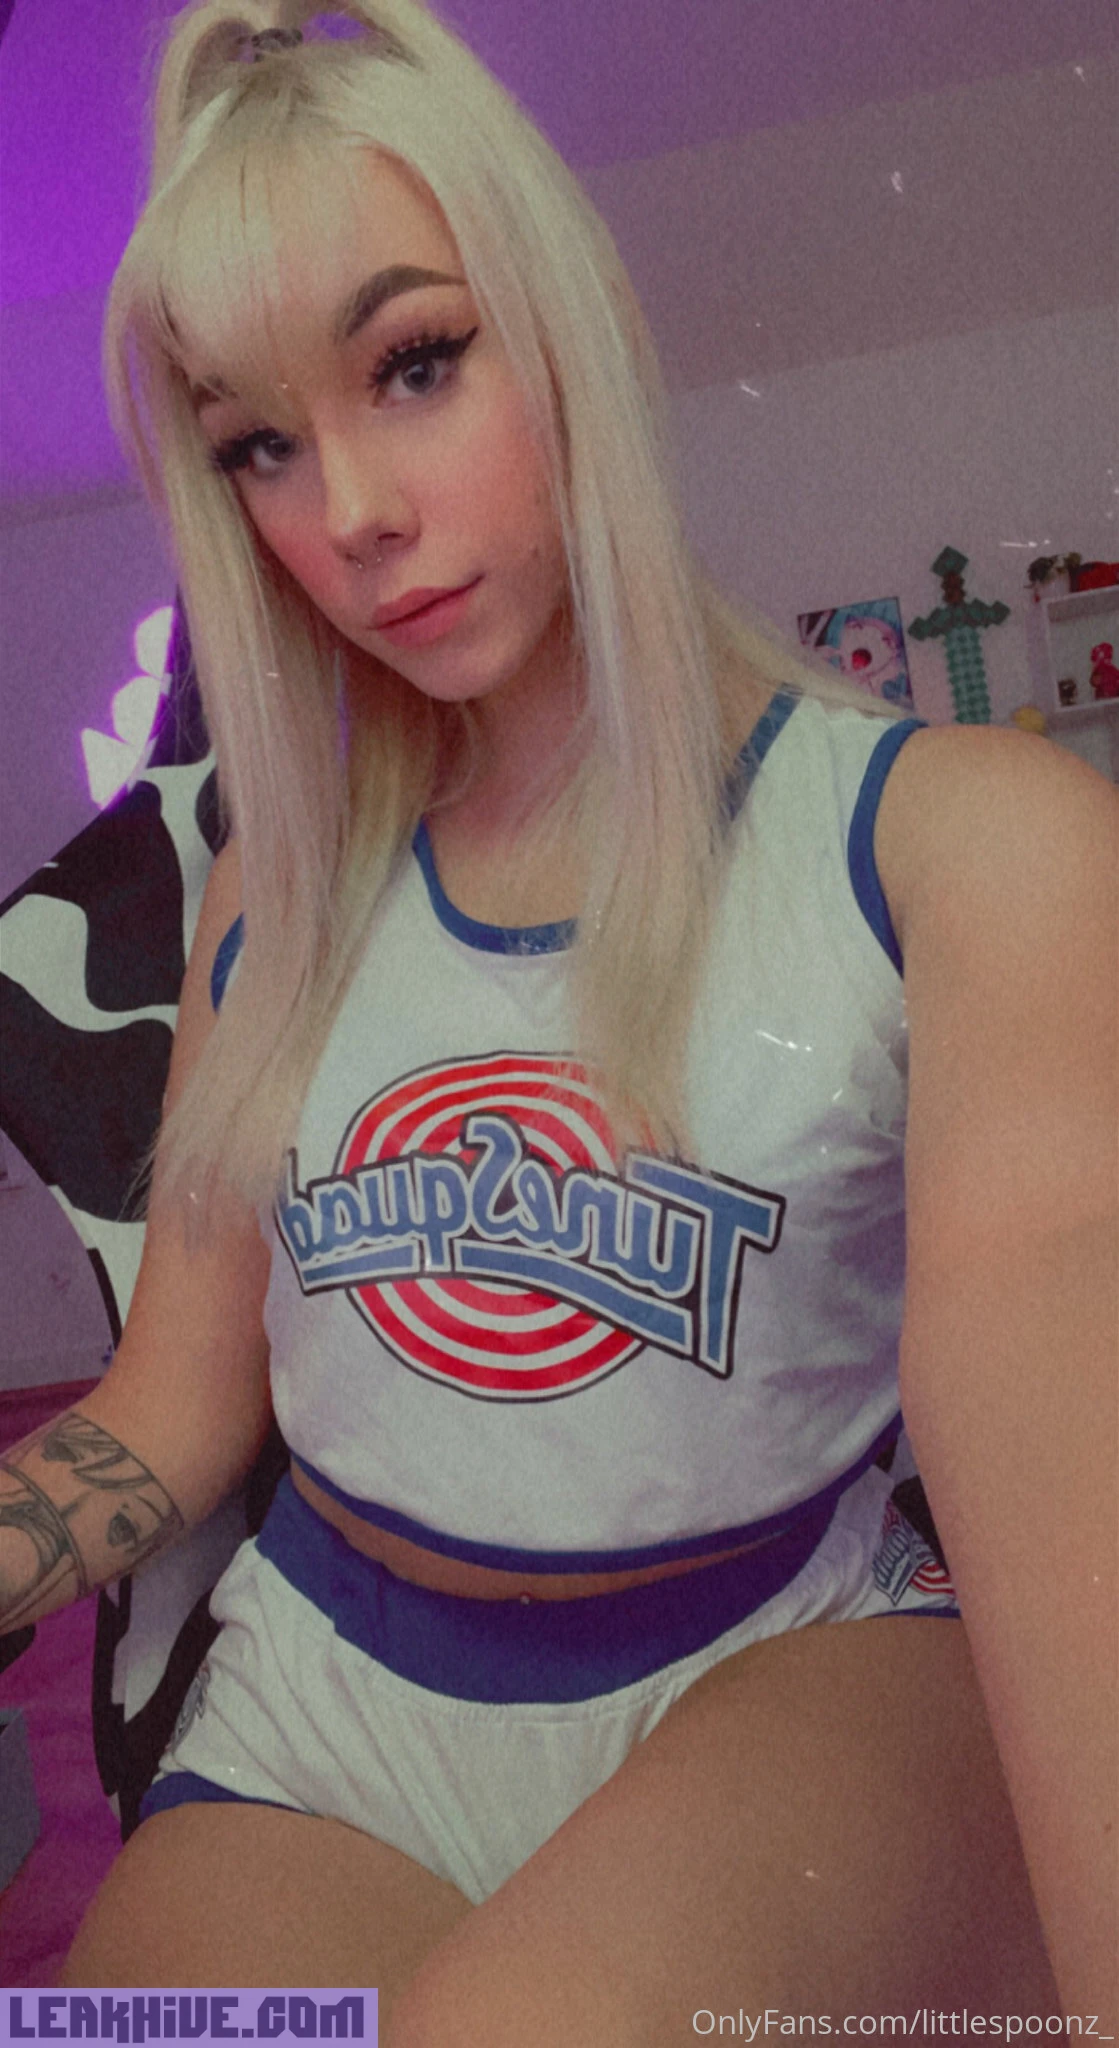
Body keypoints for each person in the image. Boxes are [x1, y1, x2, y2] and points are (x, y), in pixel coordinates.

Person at [1, 1, 1115, 2033]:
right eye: (259, 442)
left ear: (564, 317)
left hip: (789, 1663)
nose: (350, 506)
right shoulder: (272, 889)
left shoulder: (957, 847)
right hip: (327, 1713)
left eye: (414, 361)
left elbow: (1067, 1512)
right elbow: (171, 1404)